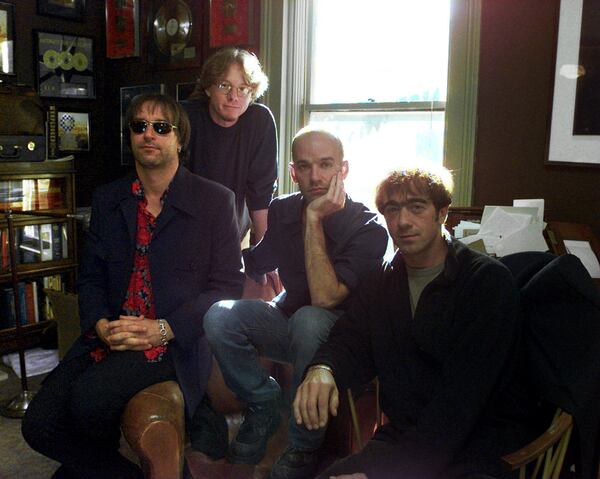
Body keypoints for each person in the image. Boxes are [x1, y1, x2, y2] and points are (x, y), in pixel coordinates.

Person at [21, 93, 244, 478]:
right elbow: (89, 278)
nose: (148, 135)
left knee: (88, 401)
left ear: (179, 139)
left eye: (161, 127)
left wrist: (165, 328)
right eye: (139, 126)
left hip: (172, 343)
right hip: (110, 335)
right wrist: (100, 324)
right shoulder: (109, 199)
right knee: (36, 426)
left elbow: (227, 286)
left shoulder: (215, 201)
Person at [294, 166, 535, 479]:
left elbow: (461, 404)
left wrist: (381, 475)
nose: (403, 221)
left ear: (442, 213)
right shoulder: (381, 281)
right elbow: (348, 340)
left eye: (417, 207)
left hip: (480, 446)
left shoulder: (486, 283)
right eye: (392, 210)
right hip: (406, 437)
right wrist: (322, 369)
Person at [200, 127, 389, 479]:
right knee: (219, 315)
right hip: (290, 323)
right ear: (292, 172)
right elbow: (257, 261)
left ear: (343, 170)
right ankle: (264, 400)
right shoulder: (283, 208)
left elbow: (326, 298)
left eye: (325, 165)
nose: (315, 176)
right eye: (304, 166)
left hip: (346, 343)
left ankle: (303, 446)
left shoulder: (369, 227)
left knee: (309, 318)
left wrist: (314, 219)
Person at [183, 47, 277, 243]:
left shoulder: (259, 120)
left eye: (243, 89)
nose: (234, 96)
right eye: (224, 86)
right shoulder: (186, 118)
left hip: (235, 232)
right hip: (184, 230)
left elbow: (260, 193)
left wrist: (263, 258)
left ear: (252, 93)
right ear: (208, 88)